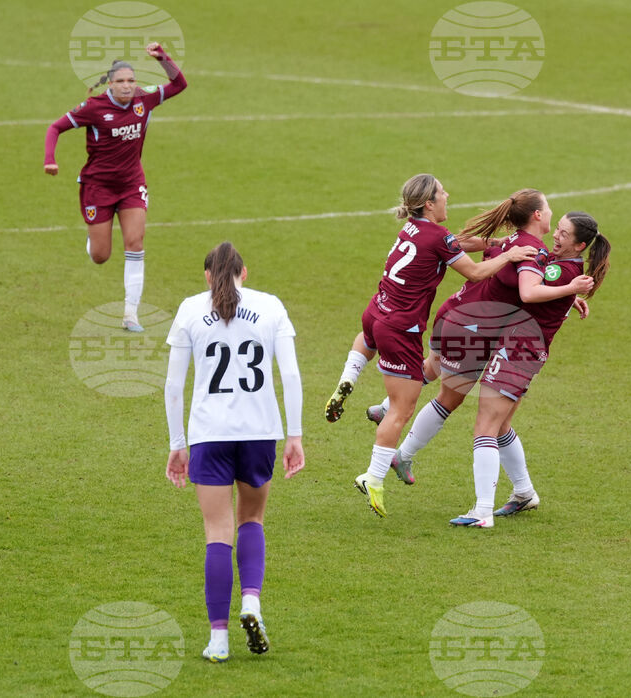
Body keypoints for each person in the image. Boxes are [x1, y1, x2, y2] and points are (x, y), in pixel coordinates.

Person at [333, 175, 538, 518]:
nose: (447, 196)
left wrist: (501, 245)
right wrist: (511, 254)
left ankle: (365, 390)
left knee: (425, 375)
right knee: (417, 408)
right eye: (442, 193)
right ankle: (379, 473)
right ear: (429, 203)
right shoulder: (446, 237)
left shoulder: (414, 229)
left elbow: (457, 244)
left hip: (387, 313)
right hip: (422, 327)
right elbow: (475, 273)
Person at [384, 194, 593, 489]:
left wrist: (566, 298)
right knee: (449, 401)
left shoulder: (510, 242)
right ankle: (401, 447)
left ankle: (522, 492)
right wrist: (569, 289)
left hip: (456, 316)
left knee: (435, 369)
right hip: (471, 328)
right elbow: (528, 292)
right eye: (549, 211)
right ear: (536, 215)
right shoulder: (530, 250)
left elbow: (509, 275)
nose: (552, 220)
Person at [164, 242, 304, 663]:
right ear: (245, 272)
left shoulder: (190, 309)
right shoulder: (271, 306)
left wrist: (176, 445)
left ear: (208, 277)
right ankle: (252, 603)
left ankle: (219, 639)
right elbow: (291, 374)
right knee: (252, 519)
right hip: (260, 432)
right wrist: (294, 435)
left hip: (209, 434)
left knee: (217, 532)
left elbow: (173, 387)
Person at [449, 211, 610, 528]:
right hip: (521, 349)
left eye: (563, 234)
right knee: (502, 425)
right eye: (558, 228)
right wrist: (569, 296)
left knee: (486, 425)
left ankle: (482, 511)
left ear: (578, 246)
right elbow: (544, 283)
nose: (556, 235)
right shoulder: (563, 266)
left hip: (519, 351)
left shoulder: (562, 270)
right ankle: (524, 493)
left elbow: (530, 291)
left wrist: (567, 292)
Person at [44, 43, 187, 332]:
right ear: (110, 83)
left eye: (131, 81)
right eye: (121, 81)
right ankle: (93, 239)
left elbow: (179, 83)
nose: (127, 86)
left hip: (132, 183)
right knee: (101, 255)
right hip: (98, 186)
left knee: (135, 242)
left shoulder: (144, 100)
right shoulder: (94, 108)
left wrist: (162, 58)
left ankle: (131, 314)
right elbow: (55, 127)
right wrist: (50, 160)